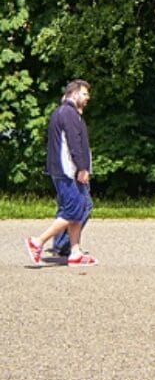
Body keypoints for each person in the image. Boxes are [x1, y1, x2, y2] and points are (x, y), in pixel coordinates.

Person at [25, 80, 98, 267]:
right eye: (84, 94)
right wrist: (82, 168)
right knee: (73, 209)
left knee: (80, 208)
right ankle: (37, 242)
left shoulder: (68, 113)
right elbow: (73, 143)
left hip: (69, 170)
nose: (88, 97)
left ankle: (75, 251)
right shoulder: (68, 113)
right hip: (67, 171)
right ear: (73, 94)